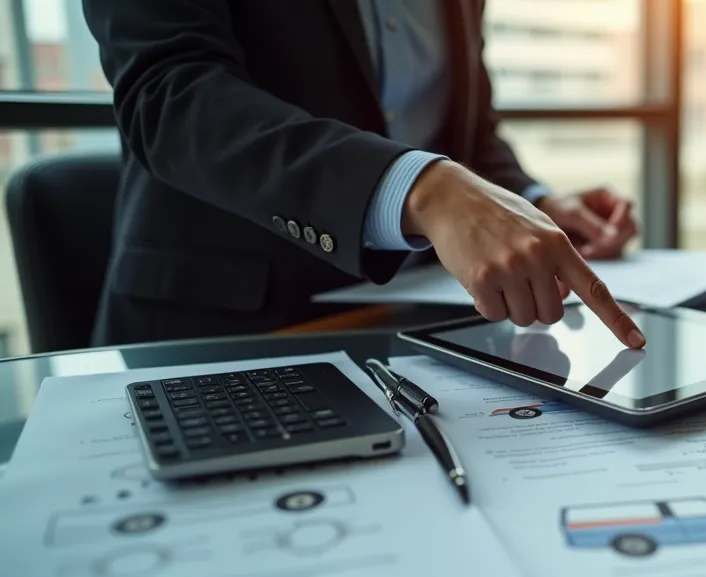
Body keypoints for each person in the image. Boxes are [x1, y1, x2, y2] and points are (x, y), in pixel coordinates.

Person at [82, 0, 645, 348]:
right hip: (224, 336)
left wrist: (532, 200)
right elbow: (170, 97)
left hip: (422, 329)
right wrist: (420, 188)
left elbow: (464, 133)